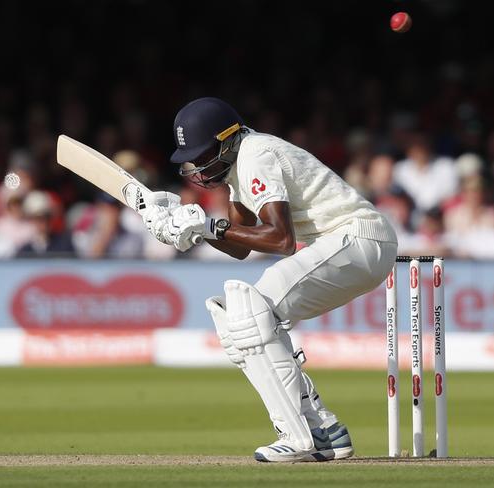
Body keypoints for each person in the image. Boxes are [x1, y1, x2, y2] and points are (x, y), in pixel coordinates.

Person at [142, 98, 398, 462]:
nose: (198, 165)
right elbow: (240, 246)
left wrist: (209, 225)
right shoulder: (238, 167)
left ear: (227, 138)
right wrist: (185, 230)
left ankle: (300, 437)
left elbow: (281, 240)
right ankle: (325, 431)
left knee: (251, 309)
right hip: (352, 243)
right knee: (237, 320)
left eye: (203, 154)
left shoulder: (255, 154)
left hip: (360, 237)